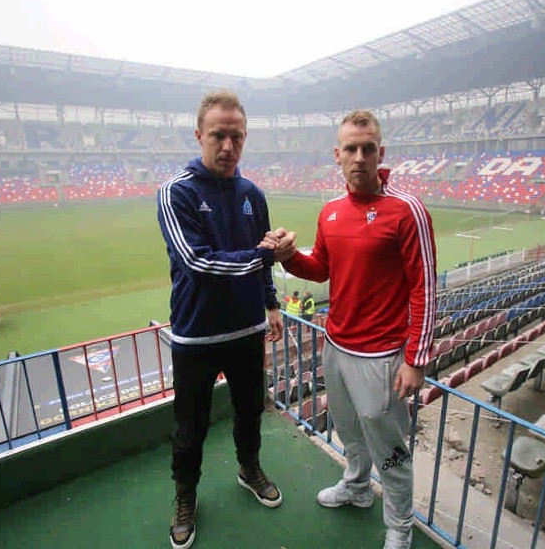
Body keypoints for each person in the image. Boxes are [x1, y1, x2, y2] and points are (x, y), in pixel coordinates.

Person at [274, 110, 436, 549]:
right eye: (351, 149)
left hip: (382, 357)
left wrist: (415, 360)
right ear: (338, 155)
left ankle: (399, 527)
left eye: (368, 148)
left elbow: (425, 287)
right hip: (336, 346)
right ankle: (357, 487)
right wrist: (288, 257)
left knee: (391, 450)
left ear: (381, 153)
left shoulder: (406, 211)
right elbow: (321, 268)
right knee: (348, 430)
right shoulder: (330, 212)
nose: (360, 156)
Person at [156, 89, 293, 549]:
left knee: (249, 410)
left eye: (236, 136)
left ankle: (248, 468)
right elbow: (198, 262)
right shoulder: (177, 192)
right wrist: (262, 255)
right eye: (218, 135)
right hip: (195, 335)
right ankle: (185, 496)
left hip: (247, 331)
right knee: (189, 426)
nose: (228, 146)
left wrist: (271, 303)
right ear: (199, 135)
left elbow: (264, 263)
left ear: (245, 137)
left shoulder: (253, 194)